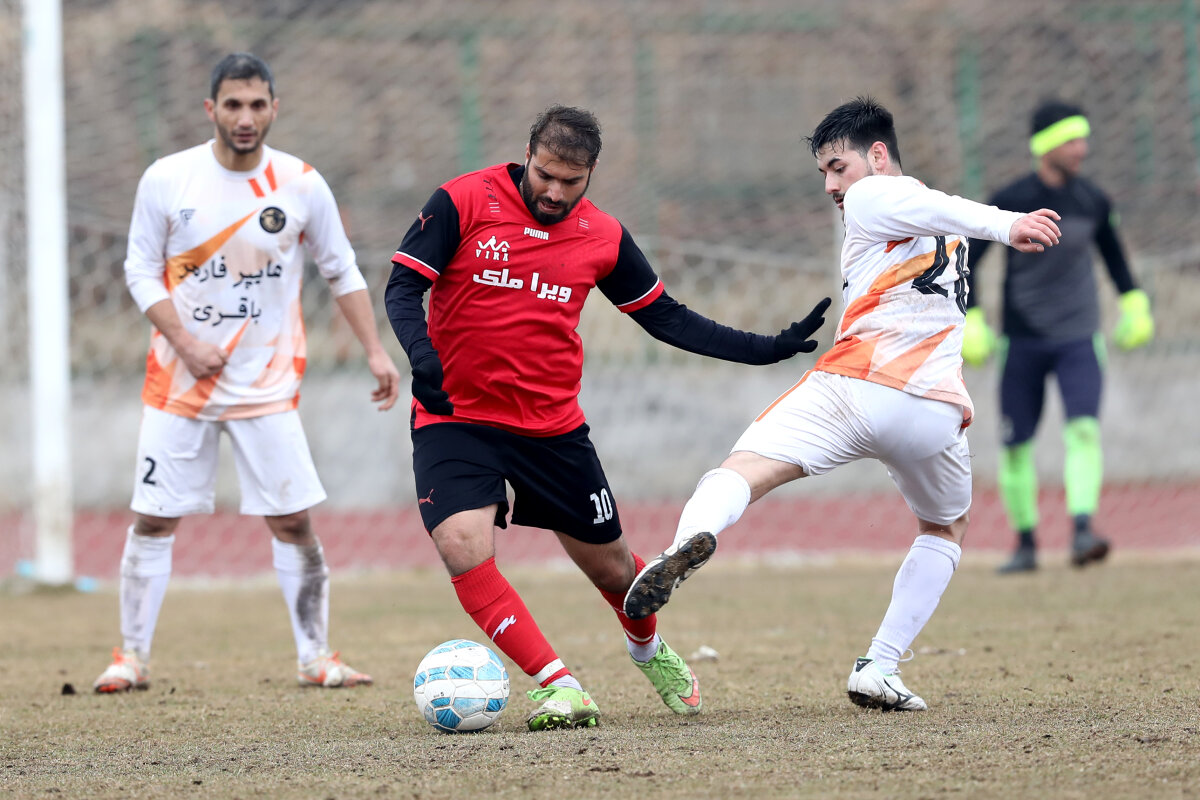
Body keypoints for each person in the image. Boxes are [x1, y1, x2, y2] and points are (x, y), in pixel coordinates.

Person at [384, 104, 832, 731]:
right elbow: (403, 287)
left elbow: (667, 317)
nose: (554, 192)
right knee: (461, 546)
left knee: (616, 571)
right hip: (455, 416)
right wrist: (422, 355)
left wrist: (766, 348)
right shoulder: (463, 201)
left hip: (550, 428)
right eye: (545, 175)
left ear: (591, 174)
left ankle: (647, 649)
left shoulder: (602, 235)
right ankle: (559, 685)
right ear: (527, 156)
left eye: (571, 182)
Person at [623, 96, 1063, 712]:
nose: (832, 185)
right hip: (933, 412)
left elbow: (933, 205)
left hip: (856, 388)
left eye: (838, 166)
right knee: (945, 527)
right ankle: (879, 666)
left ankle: (683, 546)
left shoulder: (871, 195)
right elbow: (943, 210)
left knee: (744, 470)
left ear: (878, 156)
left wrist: (1008, 224)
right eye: (824, 173)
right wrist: (996, 225)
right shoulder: (940, 222)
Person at [93, 53, 401, 693]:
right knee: (154, 519)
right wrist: (183, 342)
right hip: (179, 385)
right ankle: (131, 658)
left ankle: (316, 657)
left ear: (274, 109)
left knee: (293, 522)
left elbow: (340, 269)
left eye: (257, 105)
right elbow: (139, 270)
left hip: (267, 387)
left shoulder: (301, 183)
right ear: (211, 109)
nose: (245, 117)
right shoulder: (168, 179)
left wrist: (375, 351)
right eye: (233, 104)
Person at [962, 100, 1154, 574]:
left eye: (1083, 139)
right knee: (1016, 446)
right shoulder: (1010, 198)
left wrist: (1134, 304)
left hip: (1079, 340)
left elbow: (1115, 260)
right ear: (1045, 146)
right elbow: (968, 262)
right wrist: (973, 318)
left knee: (1084, 431)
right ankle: (1025, 544)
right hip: (1021, 342)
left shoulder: (1094, 201)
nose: (1081, 149)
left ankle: (1083, 530)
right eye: (1071, 140)